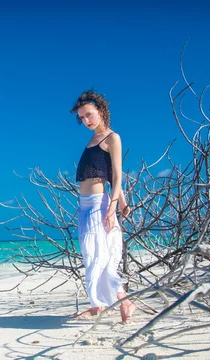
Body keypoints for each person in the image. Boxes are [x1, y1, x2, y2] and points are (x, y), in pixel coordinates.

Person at [70, 89, 136, 324]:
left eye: (88, 115)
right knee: (92, 255)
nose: (86, 121)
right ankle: (101, 304)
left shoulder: (112, 138)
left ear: (100, 110)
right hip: (85, 207)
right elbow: (107, 173)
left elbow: (118, 175)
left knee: (102, 255)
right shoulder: (91, 140)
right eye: (82, 118)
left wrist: (113, 207)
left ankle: (120, 302)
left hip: (100, 204)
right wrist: (124, 202)